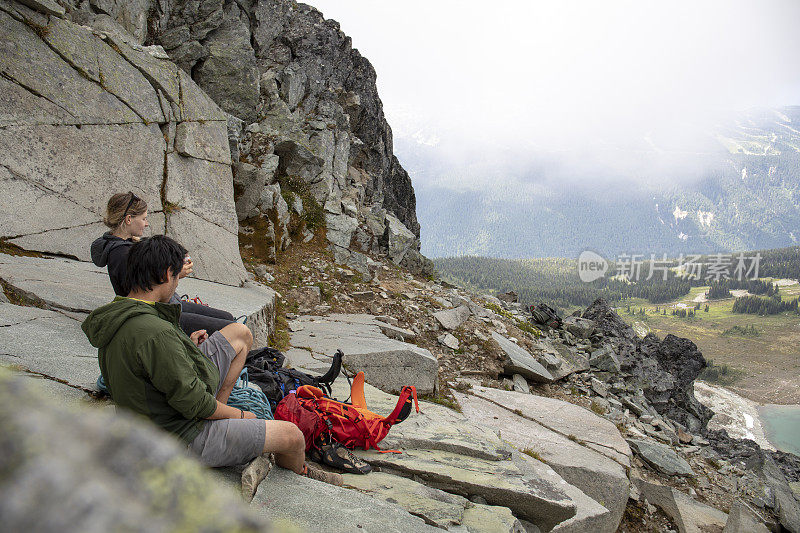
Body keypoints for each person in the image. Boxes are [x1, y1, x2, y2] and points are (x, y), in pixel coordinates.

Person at [81, 235, 340, 483]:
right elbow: (195, 405)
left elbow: (151, 367)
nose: (177, 284)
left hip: (150, 418)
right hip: (178, 436)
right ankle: (301, 474)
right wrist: (241, 416)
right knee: (291, 435)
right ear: (164, 275)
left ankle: (226, 415)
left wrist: (186, 348)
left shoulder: (120, 315)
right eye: (175, 275)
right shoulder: (155, 334)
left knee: (239, 334)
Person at [91, 192, 235, 336]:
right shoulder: (121, 254)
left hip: (166, 305)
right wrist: (176, 274)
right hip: (156, 314)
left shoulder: (128, 244)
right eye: (143, 218)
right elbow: (140, 293)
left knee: (228, 318)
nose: (146, 223)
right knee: (230, 329)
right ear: (129, 219)